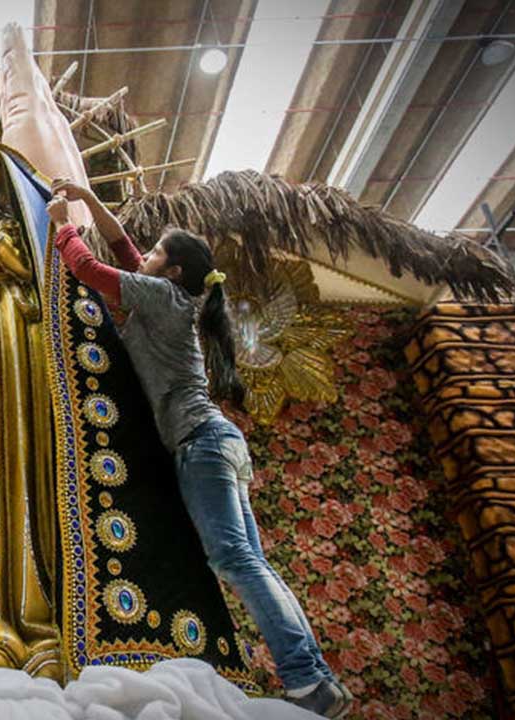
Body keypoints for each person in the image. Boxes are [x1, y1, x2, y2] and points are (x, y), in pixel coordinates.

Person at [46, 180, 352, 718]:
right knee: (250, 561)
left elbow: (90, 269)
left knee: (233, 558)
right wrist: (87, 198)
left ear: (174, 271)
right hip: (215, 442)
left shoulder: (162, 298)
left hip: (201, 443)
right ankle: (315, 678)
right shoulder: (170, 293)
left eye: (158, 251)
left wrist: (59, 223)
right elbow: (122, 248)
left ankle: (306, 678)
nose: (147, 255)